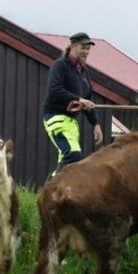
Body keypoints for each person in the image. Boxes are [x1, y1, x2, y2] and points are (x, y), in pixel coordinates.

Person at [42, 32, 104, 171]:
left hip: (71, 123)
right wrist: (78, 99)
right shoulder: (60, 66)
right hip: (55, 117)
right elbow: (54, 90)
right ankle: (53, 190)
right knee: (73, 154)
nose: (86, 52)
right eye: (83, 48)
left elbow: (88, 99)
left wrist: (95, 123)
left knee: (66, 161)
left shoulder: (84, 72)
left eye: (88, 49)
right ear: (73, 47)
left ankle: (51, 189)